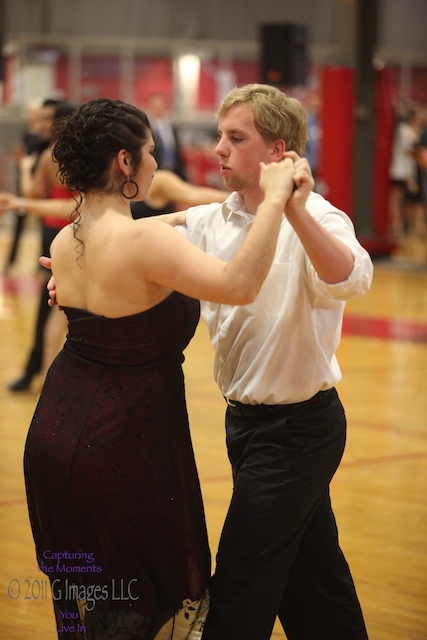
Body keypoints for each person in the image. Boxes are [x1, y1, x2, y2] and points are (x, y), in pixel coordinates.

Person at [23, 97, 296, 640]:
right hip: (122, 443)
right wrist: (275, 200)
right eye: (149, 153)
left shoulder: (68, 237)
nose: (155, 164)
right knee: (148, 607)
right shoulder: (146, 242)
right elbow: (239, 286)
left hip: (55, 433)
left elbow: (157, 236)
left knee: (99, 601)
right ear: (125, 161)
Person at [172, 83, 372, 640]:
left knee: (240, 585)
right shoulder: (216, 219)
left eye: (236, 138)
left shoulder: (321, 218)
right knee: (313, 582)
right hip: (245, 427)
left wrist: (296, 205)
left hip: (299, 431)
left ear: (277, 151)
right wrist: (77, 261)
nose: (219, 149)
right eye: (220, 136)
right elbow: (140, 238)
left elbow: (350, 276)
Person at [146, 91, 187, 179]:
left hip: (174, 173)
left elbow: (178, 153)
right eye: (155, 106)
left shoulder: (172, 128)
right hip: (157, 173)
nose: (158, 109)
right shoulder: (148, 130)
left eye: (160, 105)